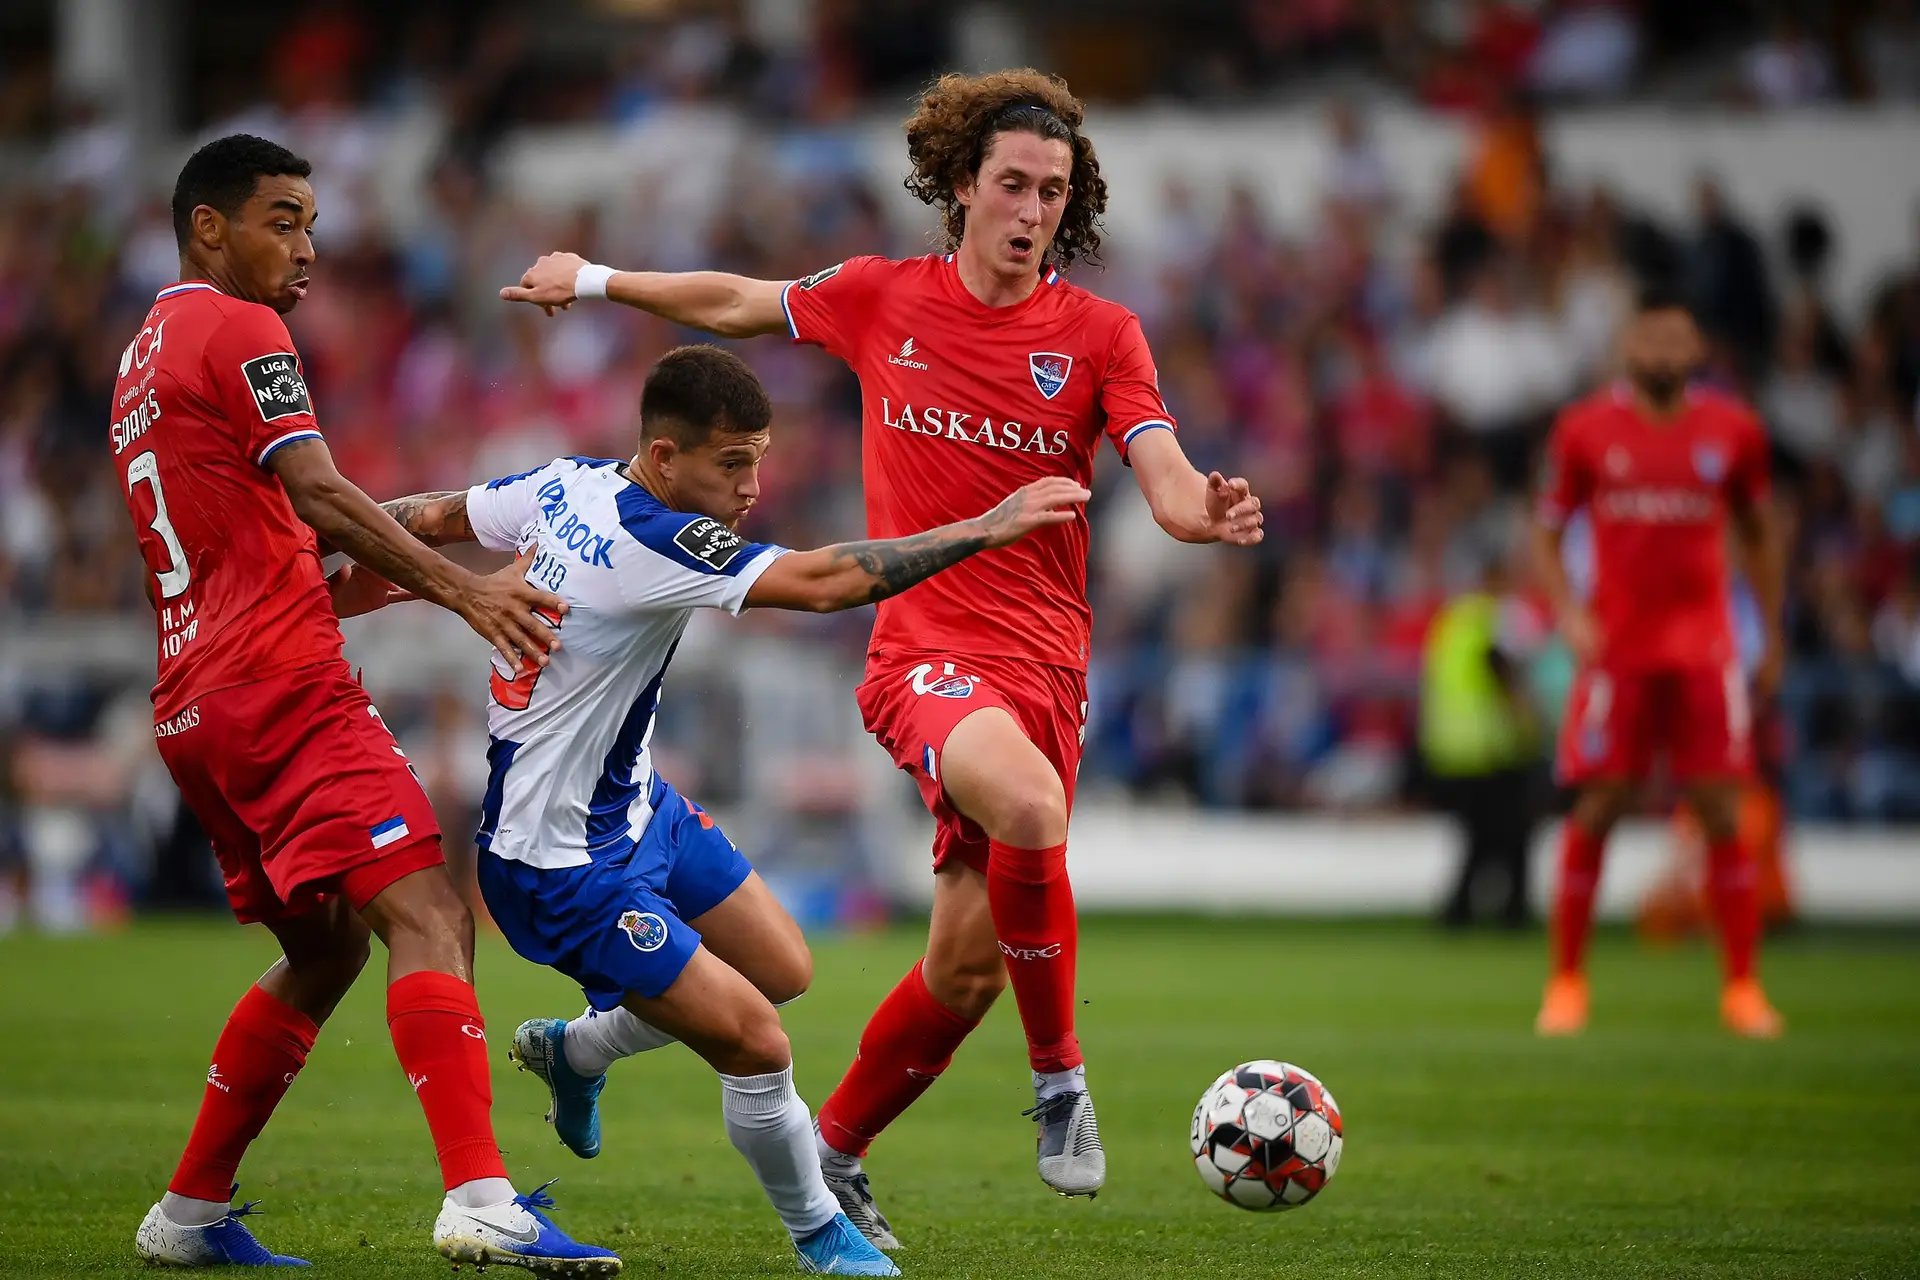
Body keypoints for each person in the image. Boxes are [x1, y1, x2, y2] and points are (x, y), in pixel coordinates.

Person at [499, 69, 1265, 1240]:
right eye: (1011, 181)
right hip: (925, 651)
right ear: (963, 186)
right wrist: (596, 279)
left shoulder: (1102, 335)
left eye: (1053, 190)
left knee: (966, 970)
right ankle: (1060, 1082)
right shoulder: (880, 297)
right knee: (1028, 804)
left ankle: (839, 1147)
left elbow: (1158, 470)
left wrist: (1196, 509)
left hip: (1046, 667)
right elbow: (738, 302)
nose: (1031, 206)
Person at [377, 344, 1089, 1277]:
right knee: (757, 1039)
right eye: (733, 463)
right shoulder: (656, 541)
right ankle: (820, 1233)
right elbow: (829, 584)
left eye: (758, 458)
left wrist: (324, 541)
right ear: (666, 460)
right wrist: (986, 527)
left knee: (784, 968)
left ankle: (578, 1054)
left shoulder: (564, 482)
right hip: (557, 867)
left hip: (638, 808)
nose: (754, 485)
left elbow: (422, 518)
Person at [118, 134, 618, 1273]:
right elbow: (318, 490)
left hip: (196, 701)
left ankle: (187, 1212)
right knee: (431, 914)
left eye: (311, 223)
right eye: (282, 219)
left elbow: (267, 539)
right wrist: (464, 590)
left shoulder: (143, 356)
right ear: (209, 227)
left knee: (330, 943)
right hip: (280, 686)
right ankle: (482, 1198)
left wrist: (399, 564)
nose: (306, 247)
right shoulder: (241, 325)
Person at [1532, 285, 1787, 1039]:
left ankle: (1742, 987)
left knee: (1718, 809)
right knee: (1601, 804)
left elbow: (1760, 534)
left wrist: (1769, 632)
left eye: (1676, 341)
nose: (1662, 355)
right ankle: (1566, 983)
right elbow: (1545, 532)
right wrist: (1571, 615)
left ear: (1696, 351)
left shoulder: (1735, 432)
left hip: (1706, 650)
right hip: (1618, 650)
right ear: (1627, 350)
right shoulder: (1583, 431)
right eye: (1649, 341)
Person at [1419, 554, 1543, 929]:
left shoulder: (1453, 620)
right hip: (1492, 747)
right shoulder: (1501, 619)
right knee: (1512, 834)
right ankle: (1509, 911)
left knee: (1479, 836)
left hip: (1450, 748)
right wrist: (1528, 724)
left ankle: (1463, 911)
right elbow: (1502, 671)